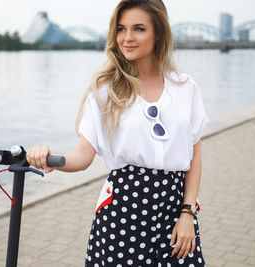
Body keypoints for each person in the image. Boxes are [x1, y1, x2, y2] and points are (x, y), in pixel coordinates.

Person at [26, 0, 209, 266]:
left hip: (175, 210)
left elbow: (194, 156)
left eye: (138, 29)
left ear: (158, 33)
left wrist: (187, 214)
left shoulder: (185, 87)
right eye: (121, 29)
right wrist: (50, 157)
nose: (127, 38)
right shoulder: (104, 91)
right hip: (122, 215)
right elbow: (83, 156)